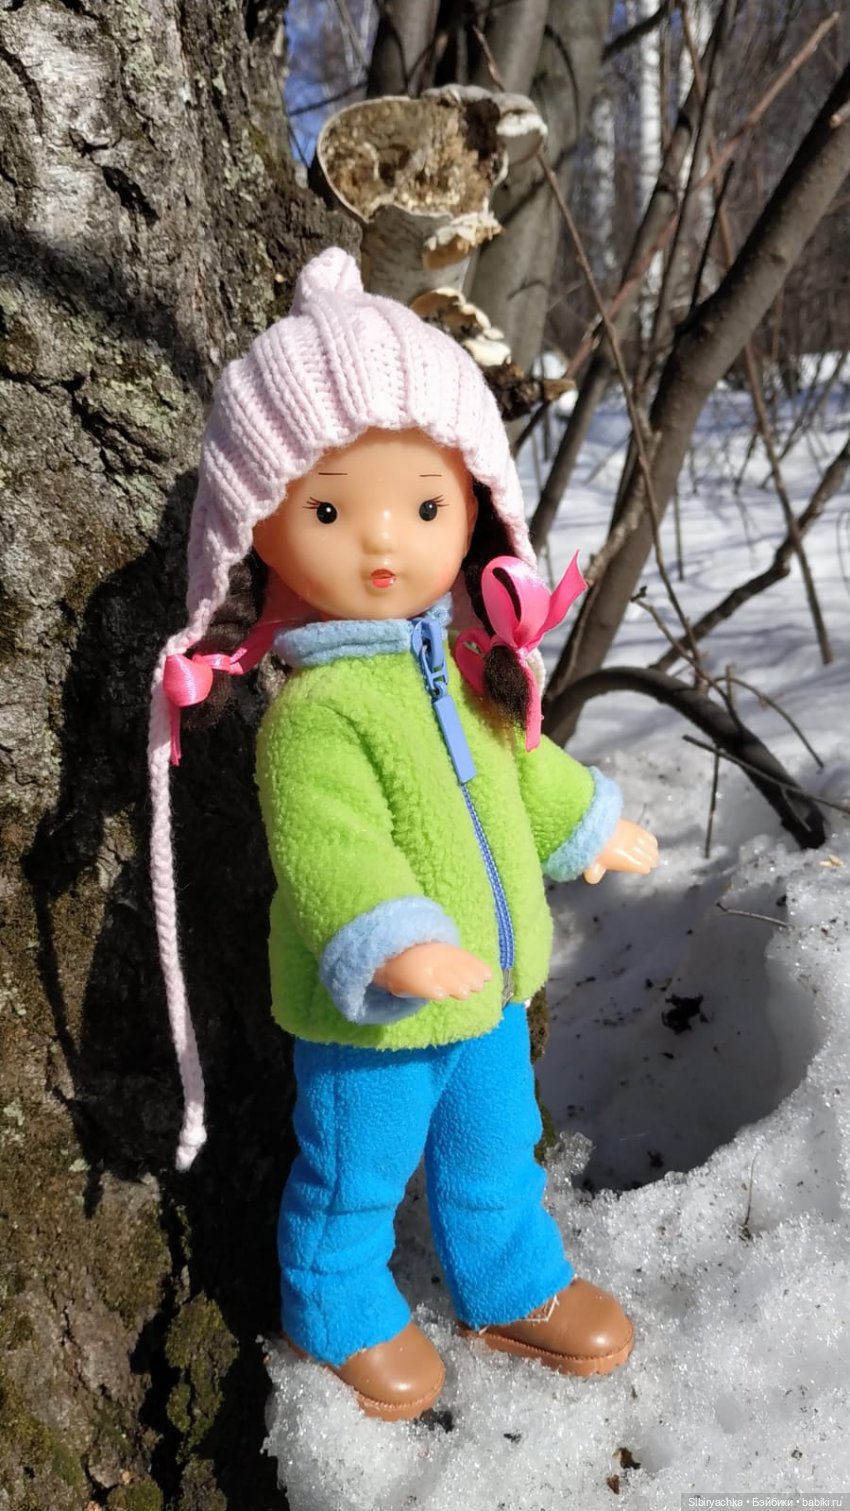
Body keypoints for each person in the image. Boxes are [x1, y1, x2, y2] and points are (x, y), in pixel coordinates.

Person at [149, 248, 658, 1423]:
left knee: (496, 1148)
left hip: (489, 995)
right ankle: (333, 1300)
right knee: (353, 1168)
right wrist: (391, 938)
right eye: (330, 510)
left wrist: (588, 819)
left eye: (425, 507)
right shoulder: (314, 712)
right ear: (259, 528)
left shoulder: (470, 672)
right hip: (372, 1014)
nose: (383, 542)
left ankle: (508, 1280)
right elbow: (329, 845)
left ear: (474, 508)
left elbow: (518, 769)